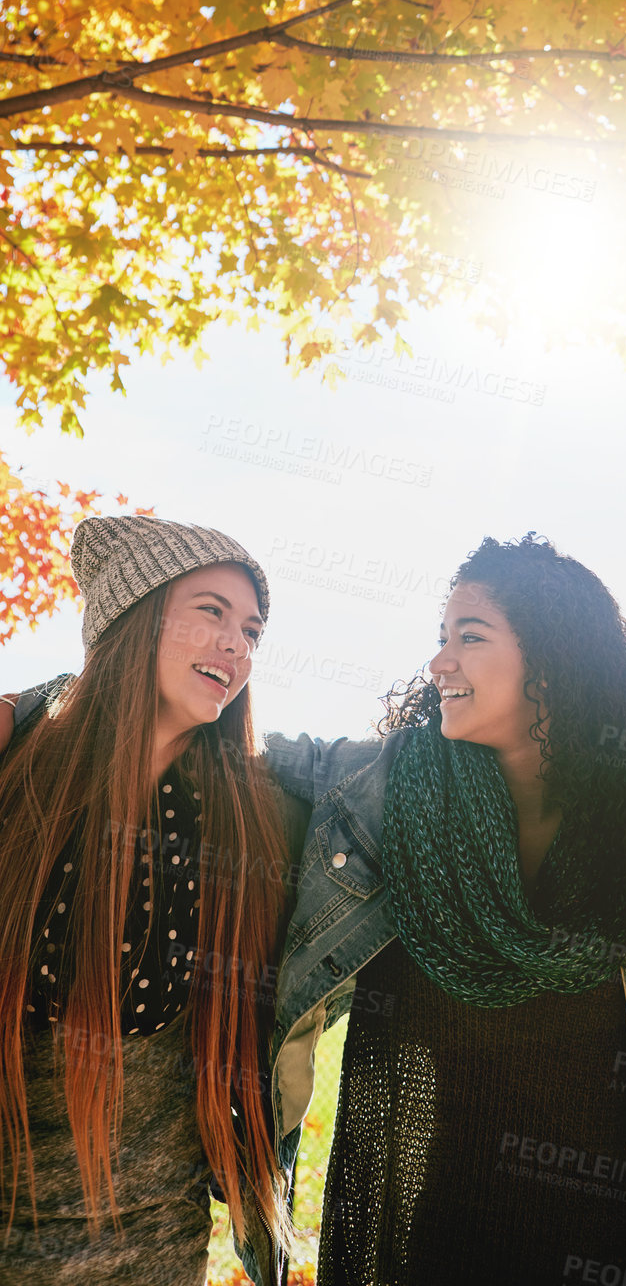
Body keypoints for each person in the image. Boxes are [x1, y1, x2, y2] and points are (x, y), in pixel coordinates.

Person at [263, 532, 626, 1286]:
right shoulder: (385, 794)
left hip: (615, 1243)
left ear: (555, 659)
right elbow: (222, 745)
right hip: (428, 1238)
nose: (439, 663)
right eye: (441, 638)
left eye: (470, 637)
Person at [0, 515, 302, 1286]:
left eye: (253, 631)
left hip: (152, 1245)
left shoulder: (250, 818)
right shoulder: (18, 762)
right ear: (134, 619)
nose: (238, 646)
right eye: (212, 611)